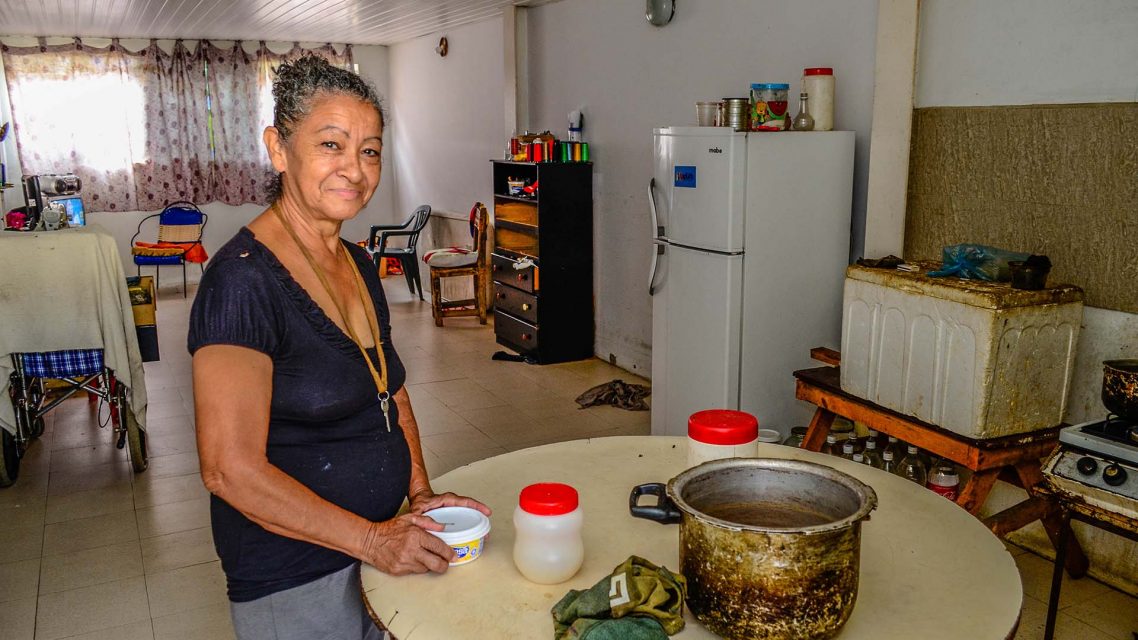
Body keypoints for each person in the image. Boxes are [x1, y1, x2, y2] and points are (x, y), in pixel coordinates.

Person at [188, 54, 490, 640]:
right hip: (296, 572)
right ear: (278, 148)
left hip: (377, 545)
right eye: (331, 144)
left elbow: (389, 389)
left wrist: (418, 494)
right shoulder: (243, 281)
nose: (354, 168)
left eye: (370, 150)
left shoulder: (354, 261)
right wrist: (373, 540)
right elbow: (229, 471)